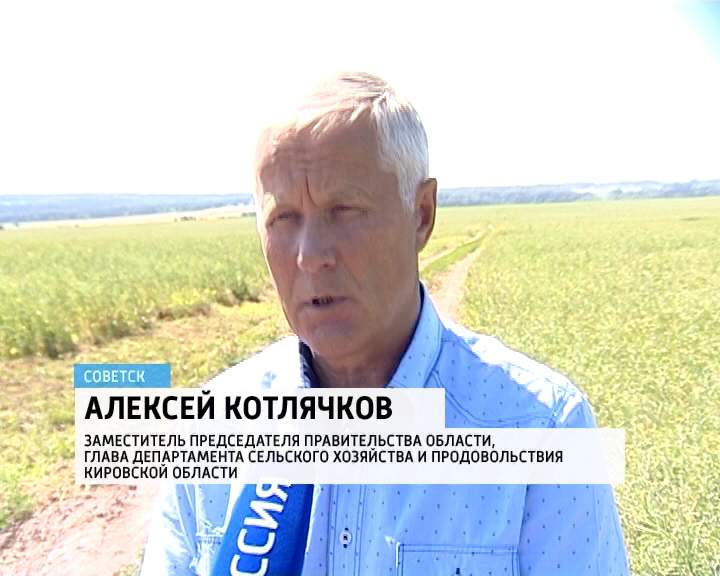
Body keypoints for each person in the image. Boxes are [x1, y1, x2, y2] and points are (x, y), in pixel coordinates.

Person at [140, 72, 629, 575]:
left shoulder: (542, 425)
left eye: (343, 210)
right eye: (283, 218)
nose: (310, 255)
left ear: (421, 214)